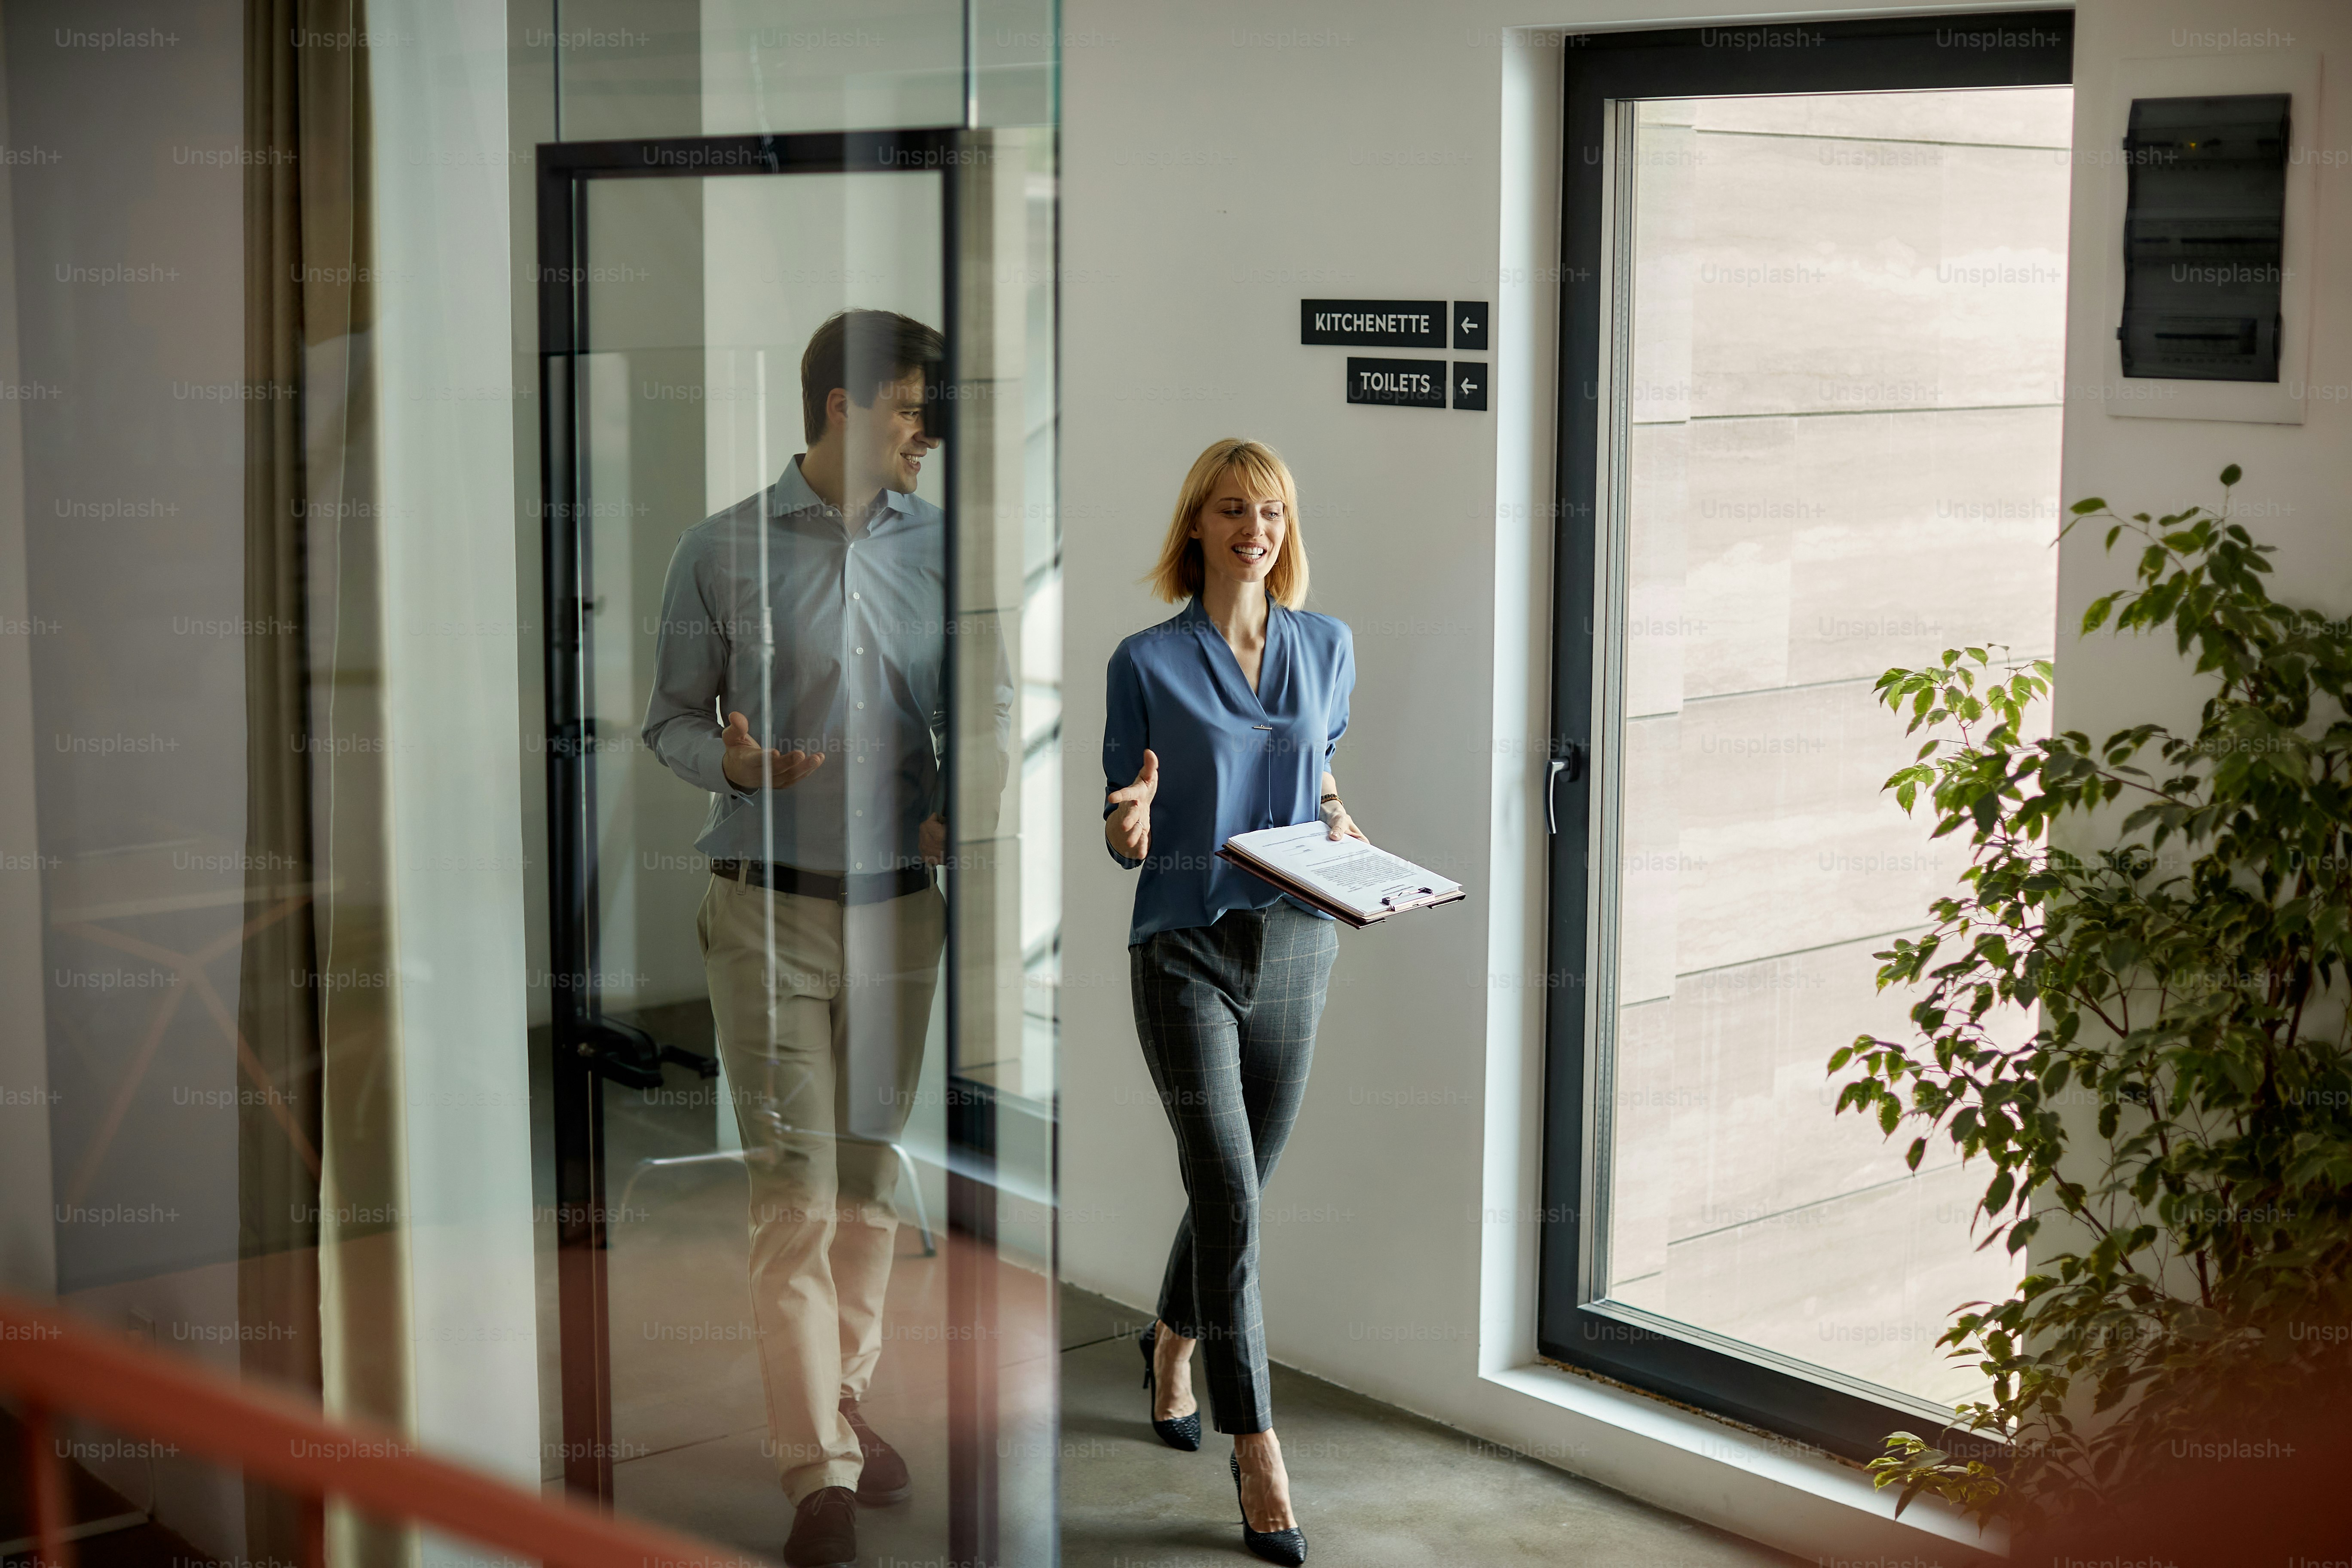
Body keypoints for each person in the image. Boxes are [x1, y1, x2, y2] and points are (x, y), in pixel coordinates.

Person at [643, 309, 964, 1568]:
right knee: (794, 1197)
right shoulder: (719, 551)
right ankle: (816, 1470)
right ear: (843, 406)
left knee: (871, 1179)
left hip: (902, 914)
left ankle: (840, 1399)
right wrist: (721, 757)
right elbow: (664, 722)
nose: (925, 432)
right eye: (909, 407)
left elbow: (977, 709)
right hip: (767, 907)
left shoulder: (946, 549)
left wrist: (956, 793)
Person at [1101, 437, 1363, 1567]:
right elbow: (1124, 820)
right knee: (1234, 1204)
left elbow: (1324, 778)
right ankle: (1258, 1454)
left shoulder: (1329, 646)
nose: (1254, 527)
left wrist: (1347, 827)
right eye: (1230, 509)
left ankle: (1170, 1335)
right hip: (1183, 948)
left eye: (1271, 510)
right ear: (1195, 527)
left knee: (1238, 1187)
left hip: (1301, 940)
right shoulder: (1145, 660)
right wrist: (1129, 827)